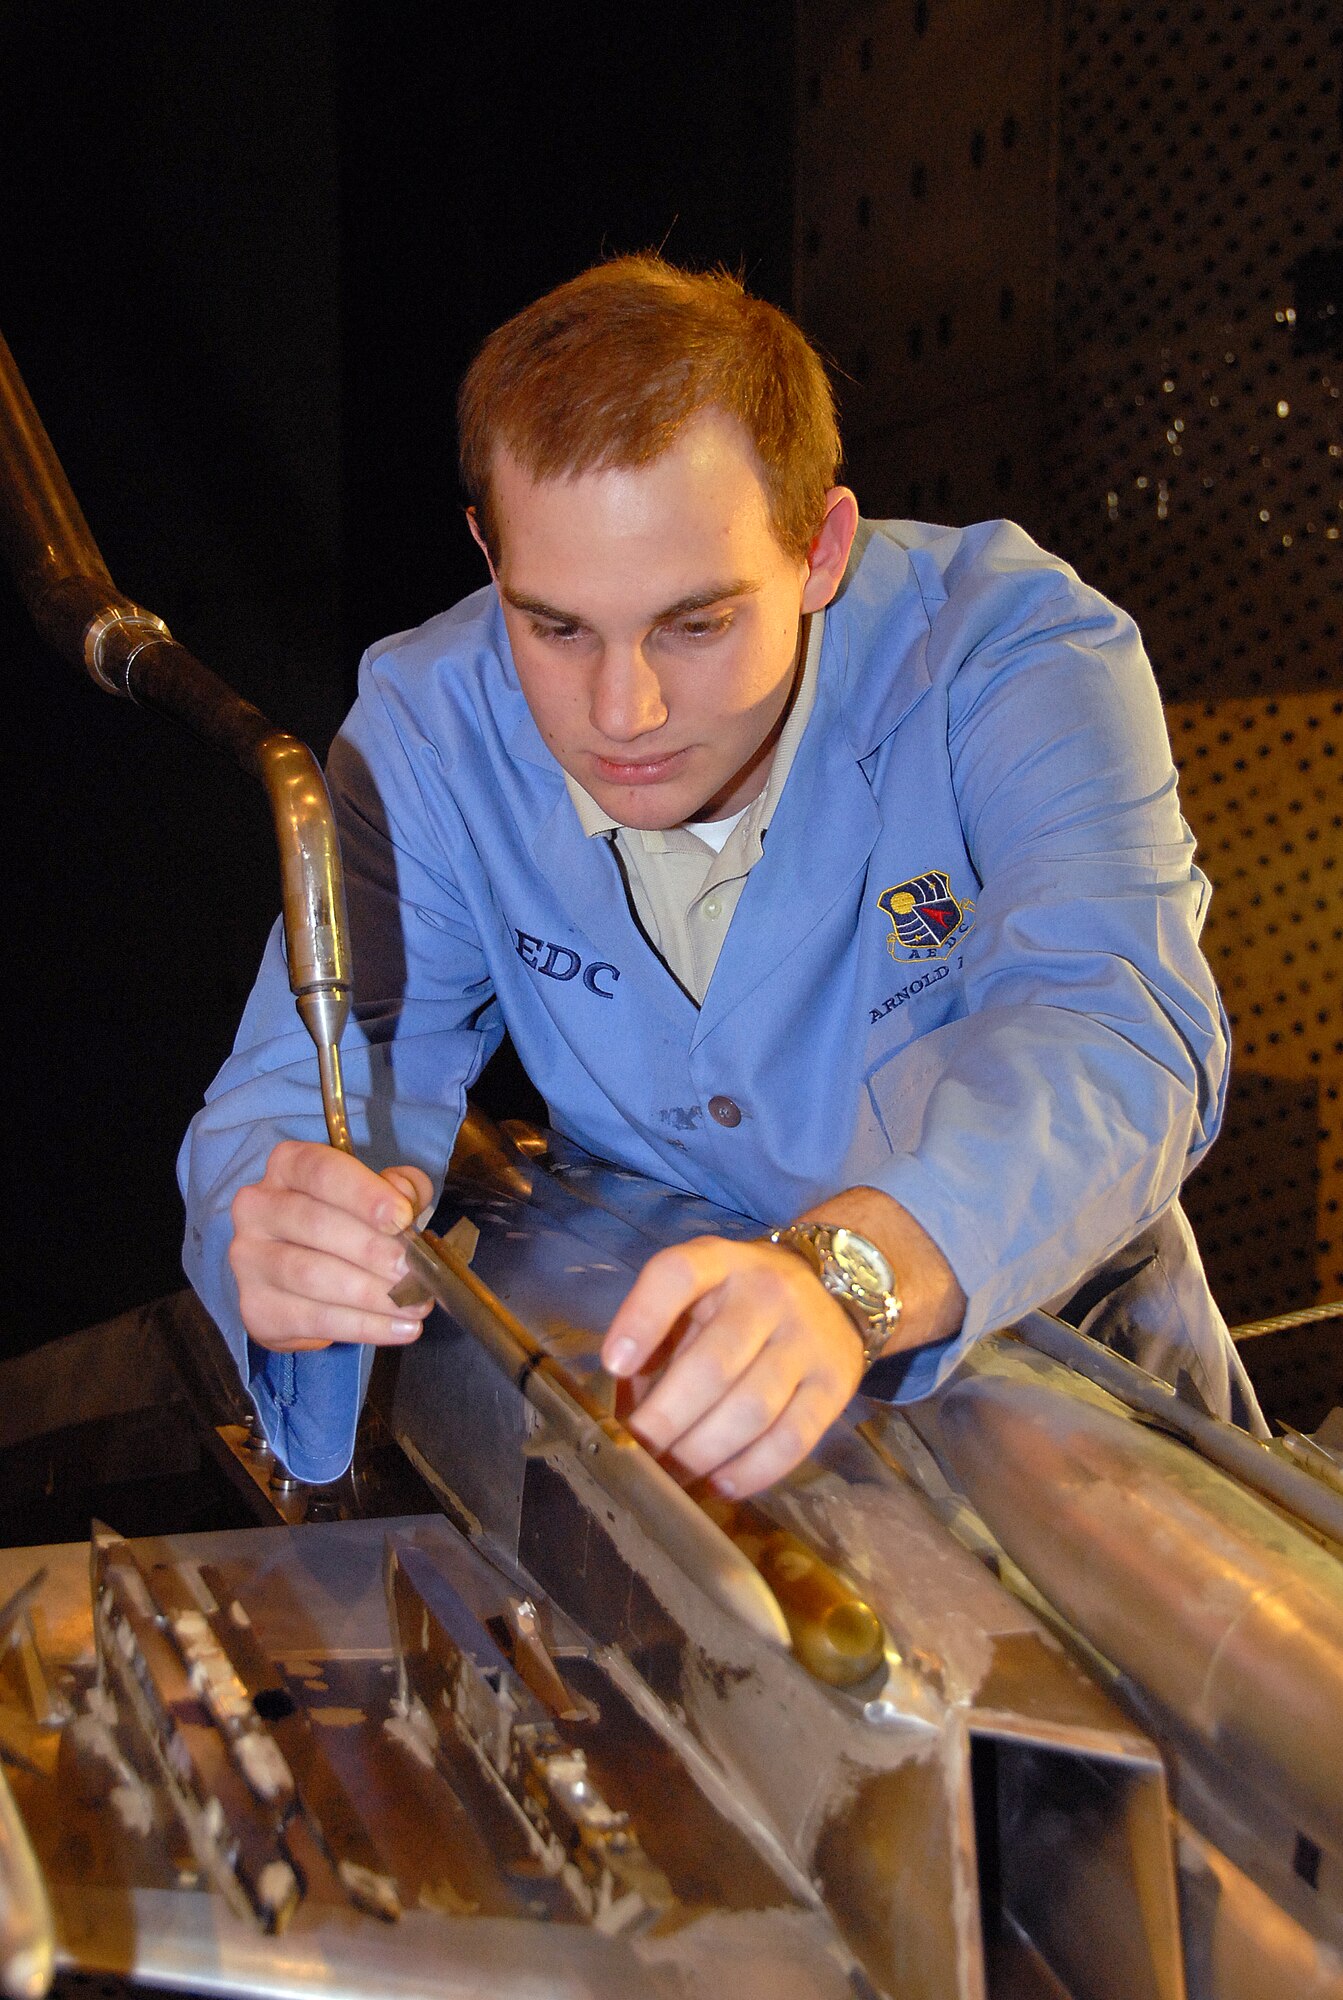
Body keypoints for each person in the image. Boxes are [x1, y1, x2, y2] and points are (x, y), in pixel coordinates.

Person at [179, 254, 1263, 1492]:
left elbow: (1114, 1027)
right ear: (487, 552)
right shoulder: (428, 727)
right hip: (729, 1432)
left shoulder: (1010, 656)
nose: (621, 709)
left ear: (819, 548)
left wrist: (845, 1274)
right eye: (553, 626)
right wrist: (273, 1233)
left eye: (692, 625)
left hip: (1085, 1396)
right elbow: (298, 1097)